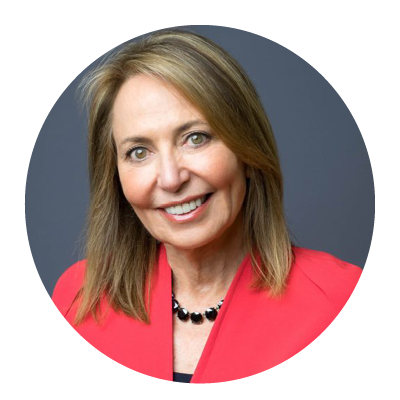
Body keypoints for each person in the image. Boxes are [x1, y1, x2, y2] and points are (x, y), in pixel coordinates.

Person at [52, 29, 362, 384]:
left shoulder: (342, 300)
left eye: (195, 138)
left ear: (247, 152)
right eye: (138, 152)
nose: (171, 179)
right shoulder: (78, 298)